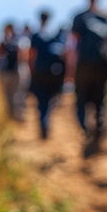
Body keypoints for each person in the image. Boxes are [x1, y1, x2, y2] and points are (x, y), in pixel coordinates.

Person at [69, 0, 107, 158]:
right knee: (100, 103)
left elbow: (72, 46)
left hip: (84, 66)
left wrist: (70, 71)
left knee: (81, 103)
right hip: (103, 66)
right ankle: (99, 132)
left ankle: (86, 131)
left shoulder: (79, 17)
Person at [29, 10, 67, 140]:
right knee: (50, 101)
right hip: (53, 75)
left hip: (39, 73)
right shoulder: (55, 35)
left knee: (41, 102)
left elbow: (31, 56)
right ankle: (46, 122)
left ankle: (43, 122)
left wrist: (32, 72)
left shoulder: (36, 36)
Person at [0, 23, 25, 121]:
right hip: (7, 73)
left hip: (12, 72)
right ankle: (10, 116)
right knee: (8, 96)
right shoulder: (8, 42)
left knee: (14, 96)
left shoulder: (16, 42)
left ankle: (13, 116)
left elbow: (22, 57)